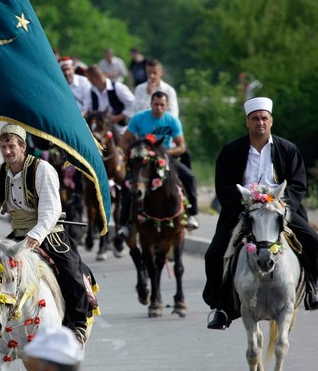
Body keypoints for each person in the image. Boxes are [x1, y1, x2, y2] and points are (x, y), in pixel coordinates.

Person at [0, 124, 91, 347]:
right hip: (17, 233)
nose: (7, 151)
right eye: (3, 146)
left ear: (22, 146)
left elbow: (50, 210)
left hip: (48, 232)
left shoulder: (43, 169)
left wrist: (36, 236)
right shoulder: (0, 172)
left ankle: (78, 325)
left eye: (11, 146)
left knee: (71, 271)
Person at [203, 97, 318, 329]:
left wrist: (282, 207)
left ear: (271, 121)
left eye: (264, 118)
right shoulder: (232, 150)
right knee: (213, 255)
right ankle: (222, 308)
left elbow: (297, 184)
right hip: (243, 211)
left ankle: (312, 290)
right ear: (247, 121)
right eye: (255, 118)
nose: (260, 123)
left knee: (313, 241)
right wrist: (243, 204)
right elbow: (223, 184)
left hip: (279, 210)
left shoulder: (287, 149)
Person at [119, 91, 200, 232]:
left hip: (166, 158)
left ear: (167, 105)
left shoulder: (172, 120)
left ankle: (191, 214)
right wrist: (133, 155)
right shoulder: (139, 118)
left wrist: (163, 153)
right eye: (156, 104)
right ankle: (126, 222)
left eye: (162, 105)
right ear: (151, 104)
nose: (159, 108)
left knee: (190, 177)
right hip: (143, 159)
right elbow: (124, 141)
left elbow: (181, 146)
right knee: (127, 185)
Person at [85, 64, 135, 137]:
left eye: (89, 79)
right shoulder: (92, 91)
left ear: (94, 79)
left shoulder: (117, 87)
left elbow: (133, 103)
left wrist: (120, 116)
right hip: (101, 129)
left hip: (120, 128)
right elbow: (90, 109)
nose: (89, 82)